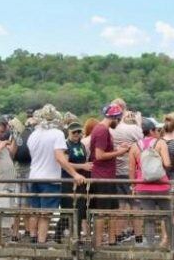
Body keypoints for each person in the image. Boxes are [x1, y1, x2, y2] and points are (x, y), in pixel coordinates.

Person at [27, 105, 85, 244]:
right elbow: (60, 158)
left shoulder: (33, 134)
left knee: (36, 211)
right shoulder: (57, 134)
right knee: (46, 214)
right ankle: (42, 242)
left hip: (33, 177)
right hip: (50, 179)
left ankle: (33, 238)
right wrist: (75, 174)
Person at [89, 103, 130, 247]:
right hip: (102, 177)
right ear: (113, 118)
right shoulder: (102, 131)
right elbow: (99, 155)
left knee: (113, 210)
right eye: (118, 120)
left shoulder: (102, 130)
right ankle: (98, 243)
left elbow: (102, 152)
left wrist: (118, 149)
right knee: (101, 212)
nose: (118, 123)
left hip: (107, 176)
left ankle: (112, 241)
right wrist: (120, 152)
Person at [129, 119, 171, 247]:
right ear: (152, 131)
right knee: (167, 215)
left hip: (143, 186)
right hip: (162, 185)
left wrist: (133, 186)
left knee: (149, 218)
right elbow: (167, 163)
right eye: (157, 130)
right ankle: (171, 245)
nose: (158, 132)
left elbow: (131, 170)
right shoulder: (161, 143)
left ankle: (150, 246)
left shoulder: (135, 146)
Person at [111, 101, 143, 241]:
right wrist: (139, 123)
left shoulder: (112, 128)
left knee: (120, 206)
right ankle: (138, 237)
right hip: (132, 172)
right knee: (136, 206)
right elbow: (143, 144)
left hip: (116, 172)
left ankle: (118, 235)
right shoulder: (133, 128)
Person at [56, 121, 92, 243]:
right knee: (67, 210)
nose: (77, 134)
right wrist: (82, 166)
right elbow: (65, 164)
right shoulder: (65, 145)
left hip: (80, 181)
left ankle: (76, 236)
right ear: (69, 132)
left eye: (79, 132)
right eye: (74, 132)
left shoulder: (81, 145)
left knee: (80, 210)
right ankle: (58, 235)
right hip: (68, 181)